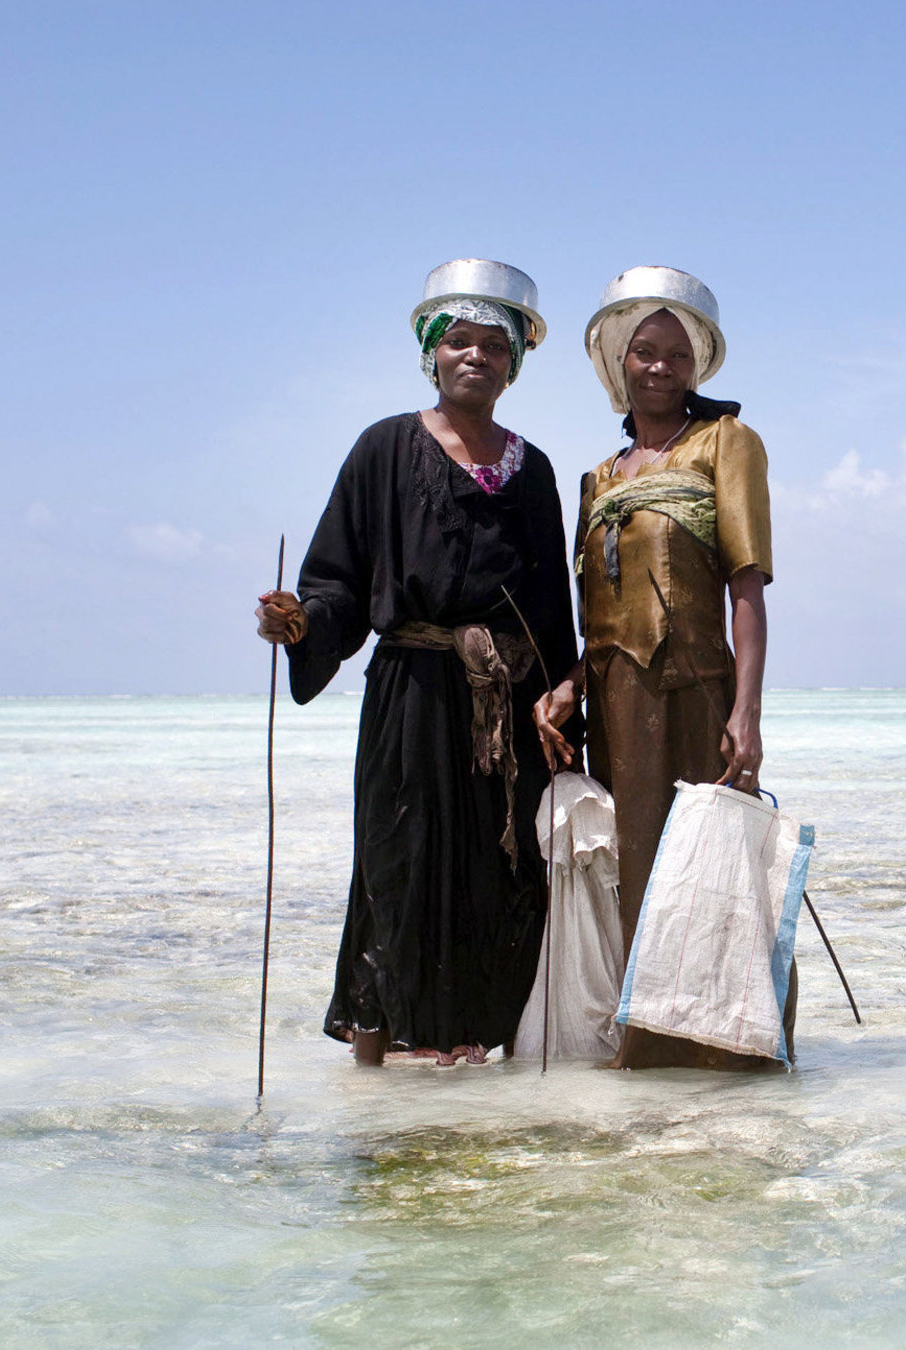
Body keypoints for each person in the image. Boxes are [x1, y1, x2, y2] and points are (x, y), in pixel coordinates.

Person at [255, 259, 577, 1068]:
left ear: (515, 364)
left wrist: (566, 692)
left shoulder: (532, 472)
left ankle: (477, 1057)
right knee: (393, 869)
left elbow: (550, 615)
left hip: (508, 708)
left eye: (494, 347)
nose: (476, 357)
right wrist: (298, 625)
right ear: (431, 354)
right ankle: (373, 1082)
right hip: (410, 701)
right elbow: (334, 581)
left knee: (503, 874)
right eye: (458, 341)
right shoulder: (384, 449)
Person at [532, 266, 793, 1071]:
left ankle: (726, 1056)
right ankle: (645, 1051)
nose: (658, 367)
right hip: (614, 704)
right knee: (635, 874)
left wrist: (745, 712)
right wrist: (569, 688)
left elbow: (747, 587)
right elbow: (598, 616)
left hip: (695, 693)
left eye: (676, 356)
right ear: (619, 365)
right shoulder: (599, 480)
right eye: (643, 352)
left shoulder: (728, 444)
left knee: (709, 874)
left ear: (697, 366)